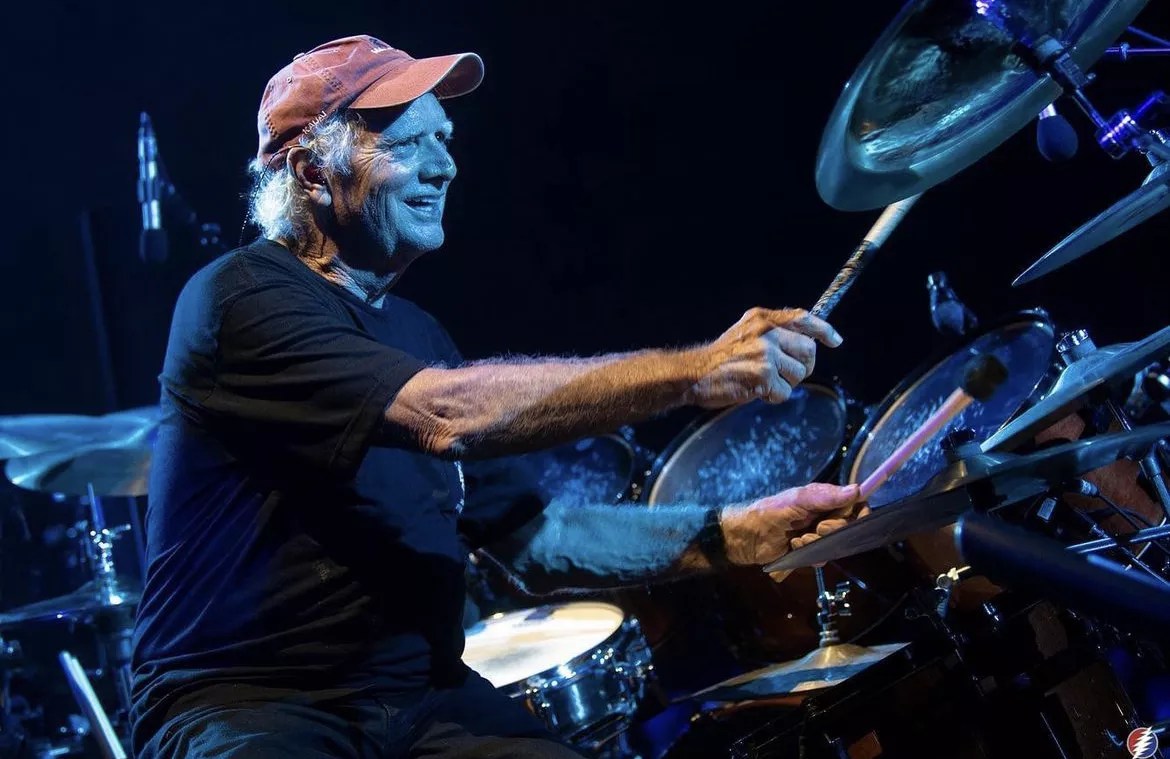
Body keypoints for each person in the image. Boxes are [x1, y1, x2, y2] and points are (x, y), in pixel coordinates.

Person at [130, 34, 863, 759]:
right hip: (246, 705)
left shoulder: (419, 334)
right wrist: (694, 371)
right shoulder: (240, 299)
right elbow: (444, 414)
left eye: (445, 141)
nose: (444, 166)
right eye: (408, 145)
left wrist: (736, 532)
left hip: (419, 702)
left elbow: (535, 538)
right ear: (311, 171)